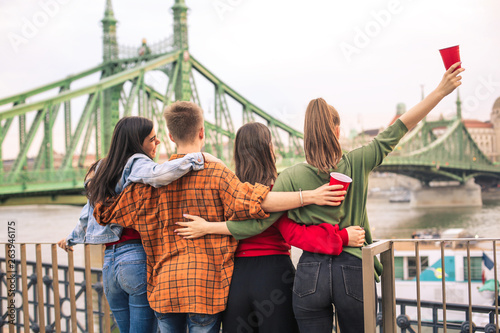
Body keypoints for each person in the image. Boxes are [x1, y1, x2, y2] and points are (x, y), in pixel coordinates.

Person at [177, 63, 464, 333]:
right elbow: (399, 128)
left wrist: (208, 223)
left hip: (308, 275)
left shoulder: (290, 177)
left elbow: (257, 222)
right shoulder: (358, 161)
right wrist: (441, 90)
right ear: (336, 131)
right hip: (353, 267)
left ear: (306, 134)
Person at [92, 101, 347, 333]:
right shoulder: (217, 173)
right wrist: (310, 196)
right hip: (206, 288)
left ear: (169, 136)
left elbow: (105, 213)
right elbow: (259, 201)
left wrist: (108, 173)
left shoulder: (149, 181)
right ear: (202, 132)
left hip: (165, 288)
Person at [175, 121, 366, 333]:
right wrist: (342, 237)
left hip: (235, 280)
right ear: (269, 148)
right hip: (274, 278)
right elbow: (293, 233)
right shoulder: (279, 189)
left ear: (238, 151)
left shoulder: (231, 189)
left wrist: (207, 226)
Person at [58, 116, 220, 333]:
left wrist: (71, 238)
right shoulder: (136, 161)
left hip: (109, 265)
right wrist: (197, 158)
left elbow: (88, 214)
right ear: (137, 142)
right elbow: (159, 174)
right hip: (136, 259)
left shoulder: (100, 169)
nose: (158, 143)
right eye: (152, 139)